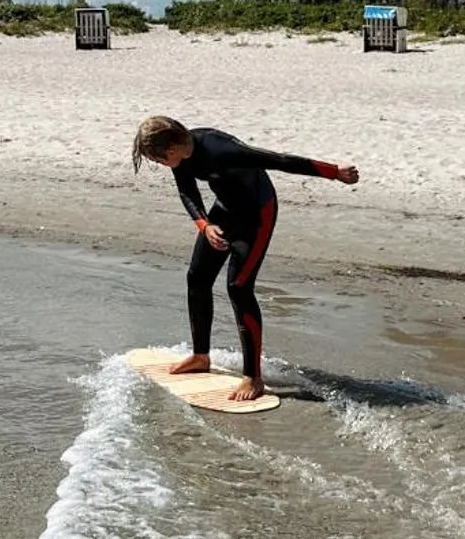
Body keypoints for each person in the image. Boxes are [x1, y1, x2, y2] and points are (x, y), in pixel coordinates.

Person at [131, 116, 359, 403]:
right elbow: (186, 190)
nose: (160, 164)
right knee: (197, 278)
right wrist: (204, 225)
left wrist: (334, 172)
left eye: (158, 158)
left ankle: (253, 377)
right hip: (224, 212)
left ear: (173, 145)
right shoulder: (182, 158)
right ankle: (200, 356)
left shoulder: (220, 149)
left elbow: (280, 160)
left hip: (257, 214)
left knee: (238, 287)